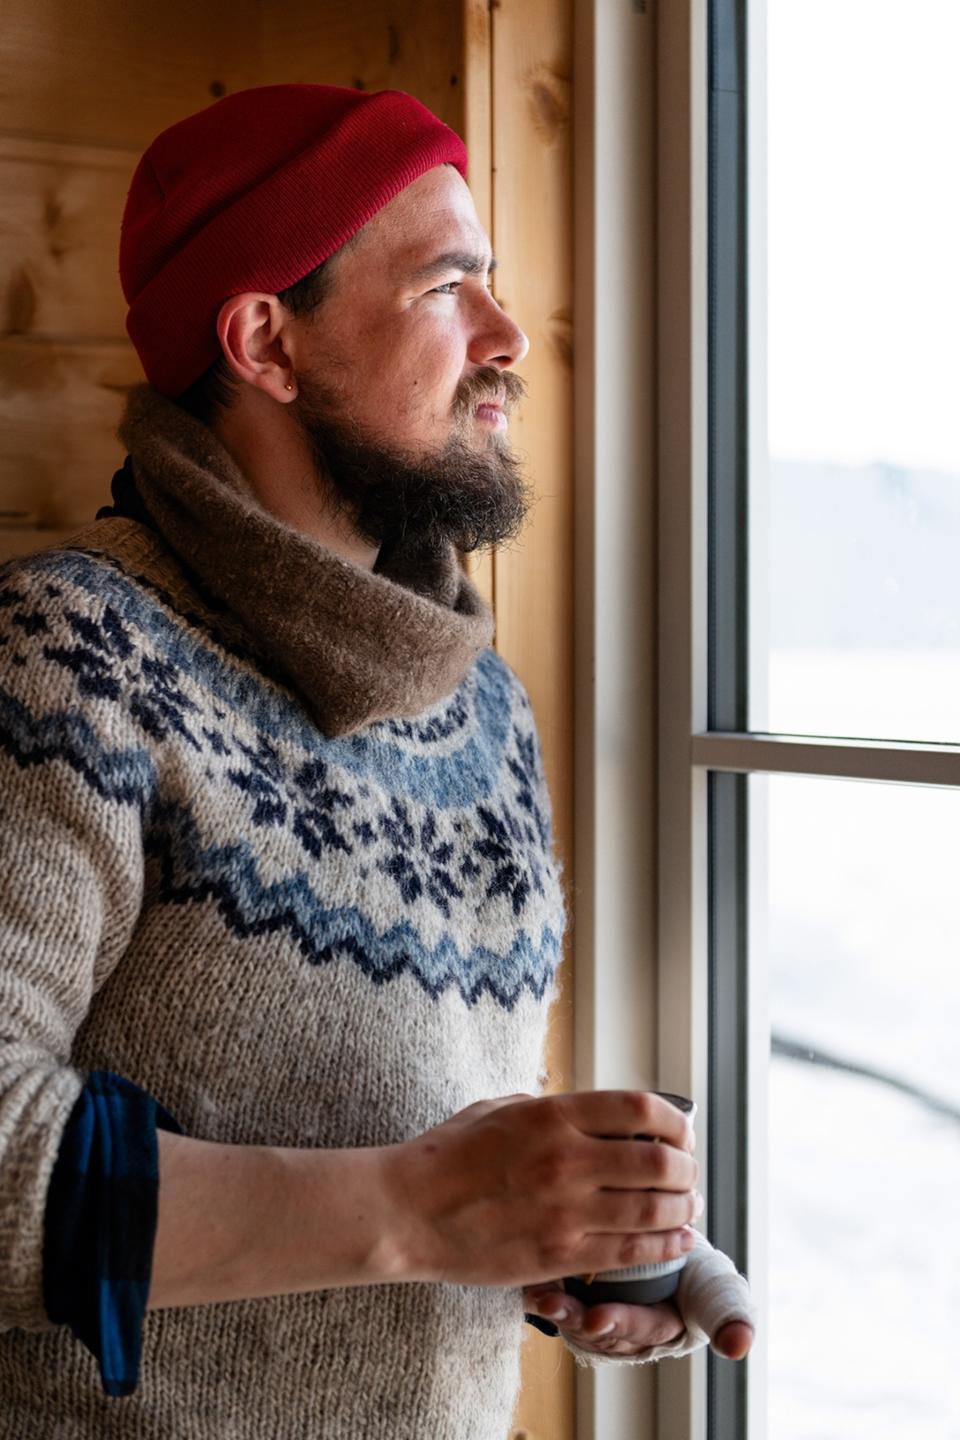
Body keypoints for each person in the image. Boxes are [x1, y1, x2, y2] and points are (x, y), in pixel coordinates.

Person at [0, 84, 754, 1437]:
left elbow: (416, 1109)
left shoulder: (482, 708)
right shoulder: (68, 656)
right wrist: (422, 1209)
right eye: (447, 285)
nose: (510, 335)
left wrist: (561, 1229)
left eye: (495, 281)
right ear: (265, 342)